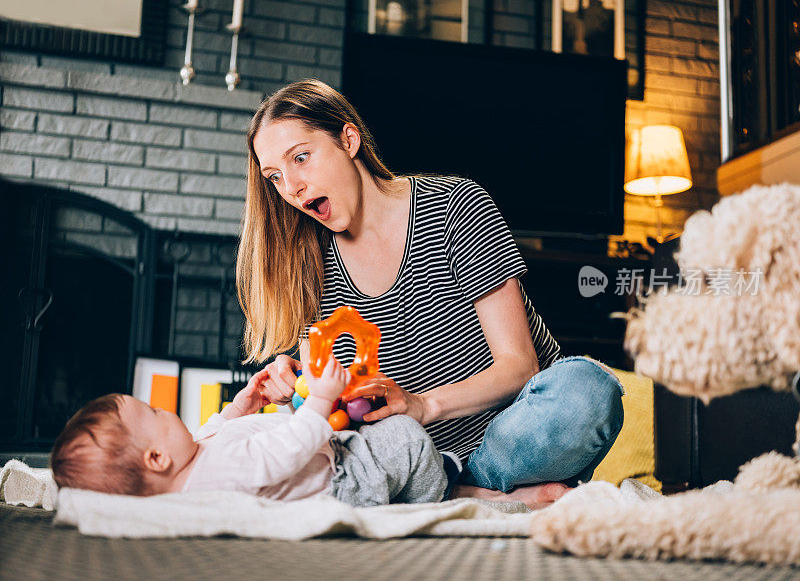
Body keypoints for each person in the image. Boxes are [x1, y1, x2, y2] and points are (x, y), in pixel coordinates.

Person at [237, 79, 625, 507]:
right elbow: (348, 415)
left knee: (589, 390)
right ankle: (465, 493)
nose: (291, 186)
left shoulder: (456, 206)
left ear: (348, 140)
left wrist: (423, 405)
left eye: (301, 158)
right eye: (275, 177)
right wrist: (301, 388)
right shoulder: (311, 269)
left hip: (516, 440)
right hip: (415, 460)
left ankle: (462, 491)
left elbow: (520, 367)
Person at [49, 357, 455, 507]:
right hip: (344, 480)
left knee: (381, 436)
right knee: (403, 436)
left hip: (332, 450)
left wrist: (238, 408)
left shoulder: (187, 465)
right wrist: (318, 401)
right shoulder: (214, 478)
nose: (165, 410)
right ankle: (439, 496)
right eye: (155, 411)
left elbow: (210, 434)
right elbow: (277, 455)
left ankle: (440, 474)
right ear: (157, 459)